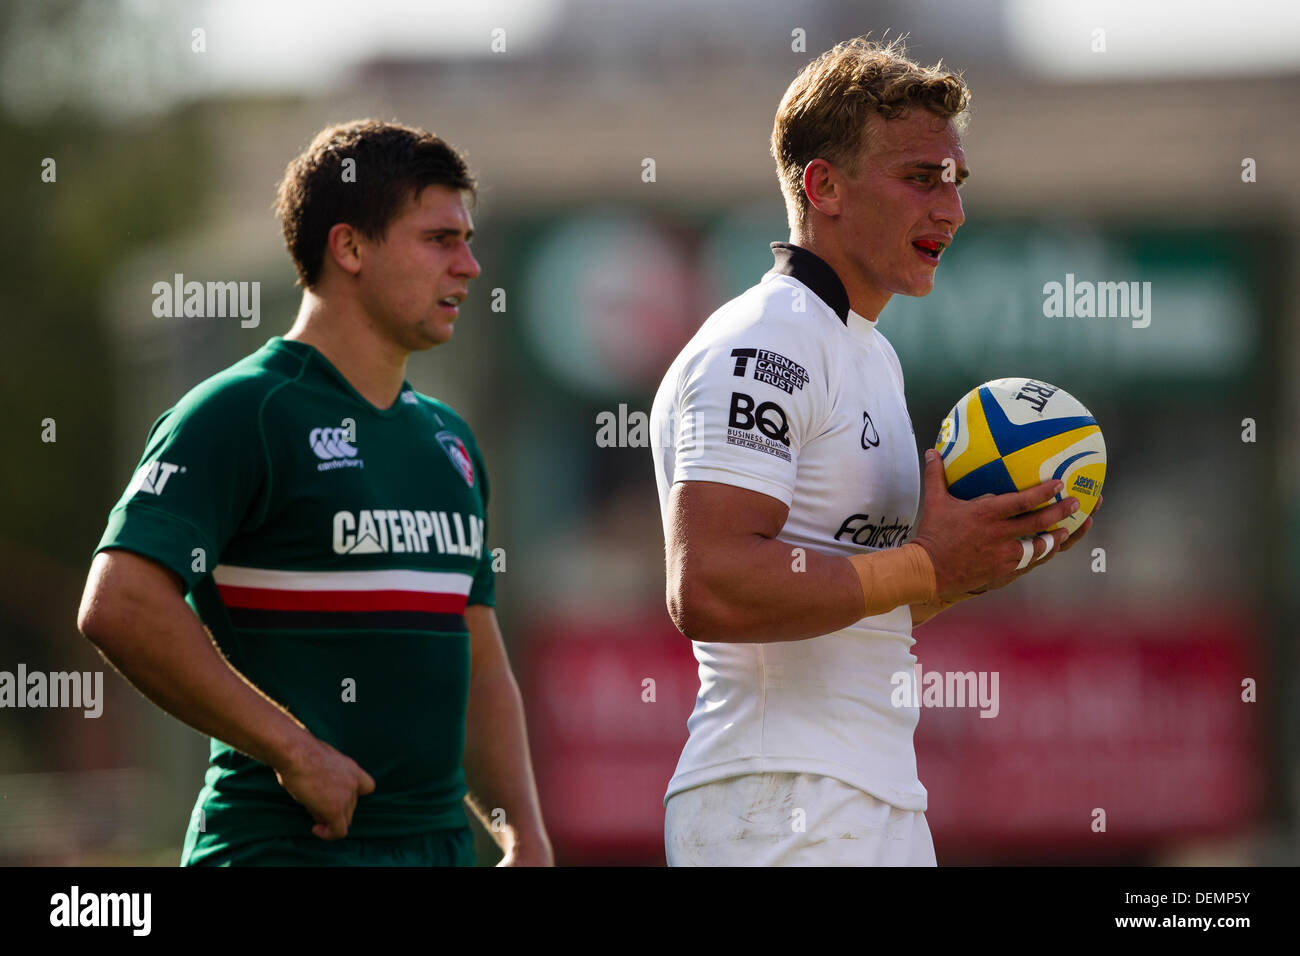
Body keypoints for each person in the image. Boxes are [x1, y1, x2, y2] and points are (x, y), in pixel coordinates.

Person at [649, 37, 1099, 866]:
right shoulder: (764, 340)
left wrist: (974, 563)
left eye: (957, 181)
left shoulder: (869, 352)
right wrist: (929, 562)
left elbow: (854, 608)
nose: (951, 209)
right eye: (921, 178)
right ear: (824, 187)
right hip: (775, 796)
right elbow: (708, 585)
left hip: (872, 792)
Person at [77, 119, 552, 867]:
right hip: (284, 849)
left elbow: (480, 661)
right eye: (439, 240)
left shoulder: (450, 441)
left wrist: (523, 833)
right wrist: (293, 751)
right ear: (350, 247)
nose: (470, 266)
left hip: (441, 848)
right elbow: (121, 604)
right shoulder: (244, 412)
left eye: (468, 238)